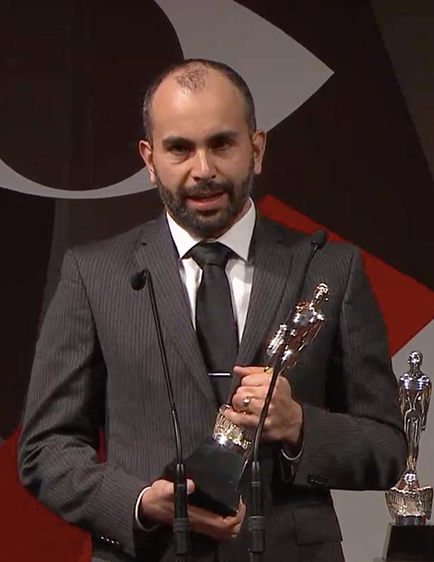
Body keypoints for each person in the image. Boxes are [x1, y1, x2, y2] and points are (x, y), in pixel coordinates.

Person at [18, 59, 407, 562]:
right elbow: (45, 448)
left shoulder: (331, 268)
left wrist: (298, 426)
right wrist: (140, 503)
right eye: (179, 148)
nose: (203, 170)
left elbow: (386, 447)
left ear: (257, 149)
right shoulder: (94, 275)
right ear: (149, 158)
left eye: (222, 144)